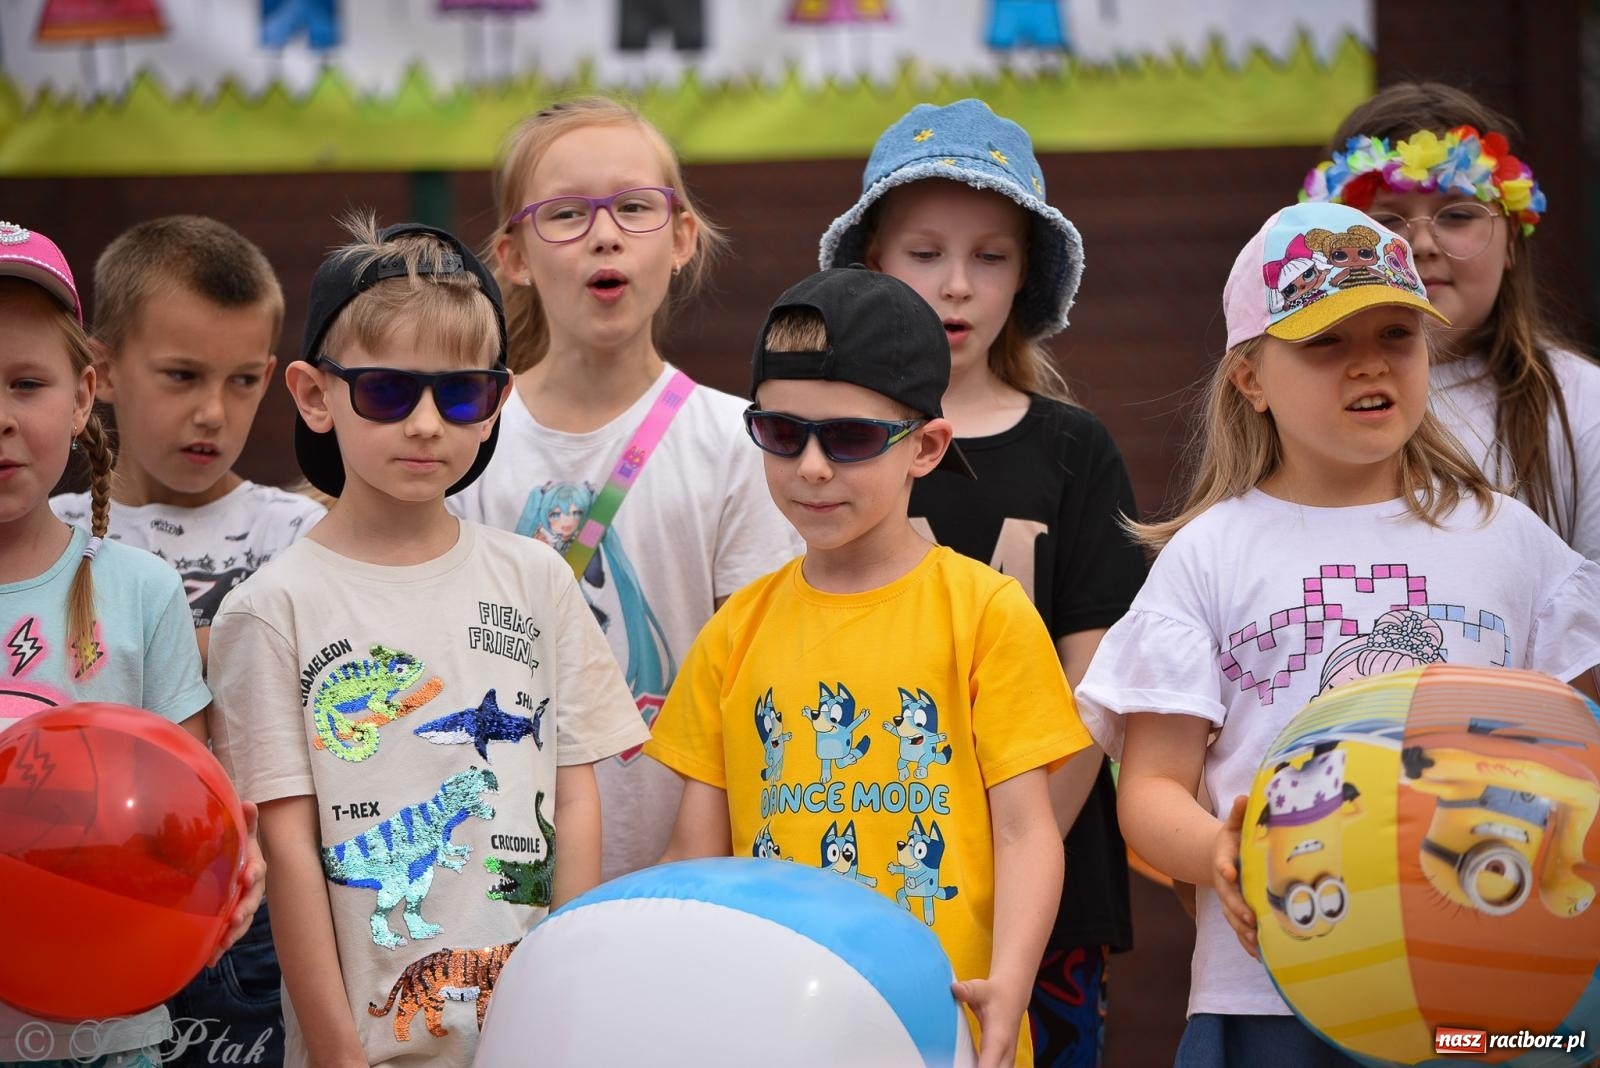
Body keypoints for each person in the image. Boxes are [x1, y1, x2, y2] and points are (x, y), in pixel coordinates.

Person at [1073, 201, 1600, 1067]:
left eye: (1397, 334)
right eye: (1324, 342)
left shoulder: (1512, 542)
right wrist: (1219, 851)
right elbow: (1149, 791)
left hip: (1491, 987)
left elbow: (1573, 754)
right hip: (1274, 994)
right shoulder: (1208, 554)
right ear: (1250, 378)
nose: (1369, 365)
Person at [205, 217, 648, 1068]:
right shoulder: (271, 608)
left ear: (497, 404)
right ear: (311, 394)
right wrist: (336, 1050)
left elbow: (577, 789)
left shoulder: (538, 579)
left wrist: (571, 989)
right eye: (384, 390)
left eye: (460, 394)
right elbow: (285, 845)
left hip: (536, 1034)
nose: (424, 423)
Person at [649, 267, 1091, 1068]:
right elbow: (694, 856)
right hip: (773, 1026)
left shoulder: (985, 611)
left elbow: (1028, 831)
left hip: (944, 1026)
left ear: (926, 447)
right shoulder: (734, 630)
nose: (812, 467)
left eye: (850, 438)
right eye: (783, 434)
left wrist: (1011, 981)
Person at [820, 98, 1144, 1065]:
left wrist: (1018, 853)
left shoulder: (1073, 449)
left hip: (1042, 901)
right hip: (859, 884)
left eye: (991, 257)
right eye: (924, 253)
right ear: (872, 261)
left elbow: (1096, 683)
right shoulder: (824, 449)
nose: (956, 286)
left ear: (1028, 276)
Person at [451, 96, 800, 879]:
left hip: (682, 882)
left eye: (634, 207)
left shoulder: (738, 441)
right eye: (566, 214)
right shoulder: (462, 436)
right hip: (490, 877)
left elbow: (757, 681)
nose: (604, 233)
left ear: (680, 239)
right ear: (512, 255)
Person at [50, 216, 323, 1068]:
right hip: (85, 896)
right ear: (99, 375)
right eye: (181, 375)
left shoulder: (306, 531)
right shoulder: (50, 538)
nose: (214, 411)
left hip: (259, 906)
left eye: (244, 381)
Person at [0, 222, 263, 1068]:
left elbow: (188, 812)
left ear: (81, 398)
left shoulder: (141, 586)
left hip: (115, 1033)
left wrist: (232, 868)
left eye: (25, 383)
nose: (1, 418)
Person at [1302, 82, 1600, 561]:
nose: (1420, 244)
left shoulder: (1582, 403)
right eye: (1387, 222)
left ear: (1510, 244)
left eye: (1458, 215)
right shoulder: (1292, 394)